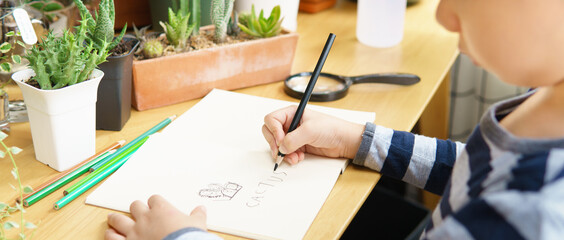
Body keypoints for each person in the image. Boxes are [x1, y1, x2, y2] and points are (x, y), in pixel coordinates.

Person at [105, 0, 564, 239]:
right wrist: (356, 139)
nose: (444, 15)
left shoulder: (533, 216)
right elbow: (476, 169)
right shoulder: (544, 103)